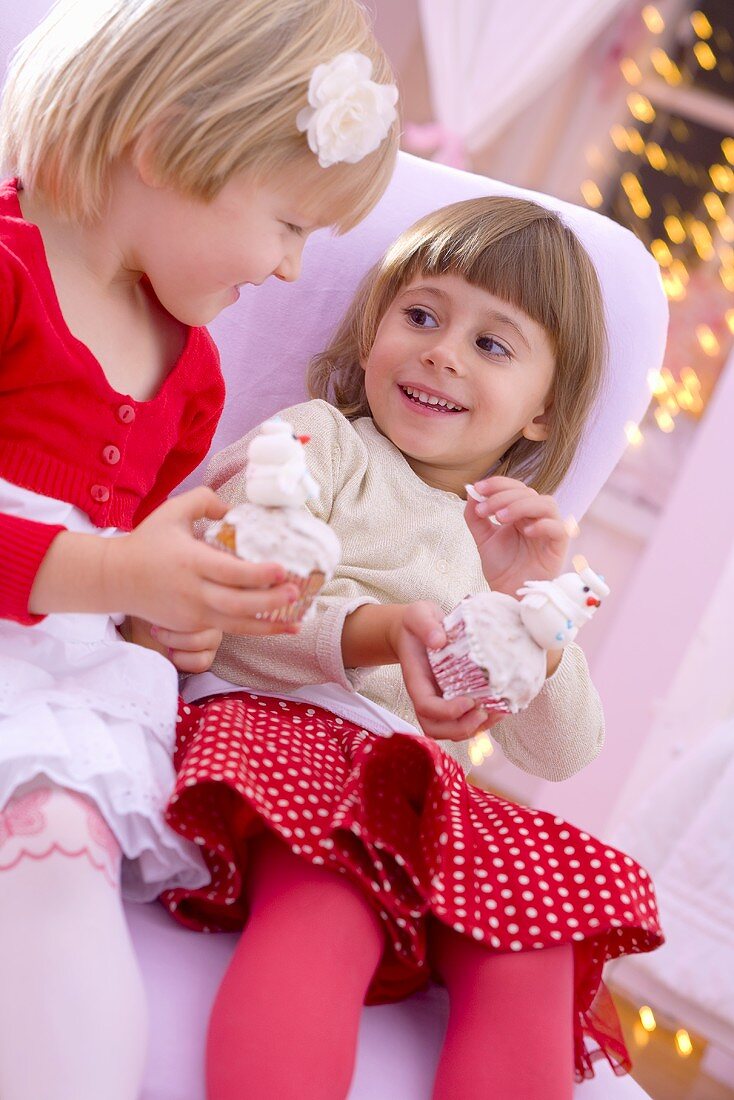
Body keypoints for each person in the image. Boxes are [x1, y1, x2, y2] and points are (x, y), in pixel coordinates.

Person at [162, 197, 664, 1100]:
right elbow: (233, 592)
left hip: (417, 787)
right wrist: (380, 634)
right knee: (331, 897)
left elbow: (561, 750)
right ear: (370, 340)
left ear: (542, 415)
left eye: (492, 344)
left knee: (535, 936)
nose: (441, 351)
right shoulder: (319, 444)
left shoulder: (503, 539)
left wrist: (526, 599)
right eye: (422, 316)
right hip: (286, 733)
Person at [0, 0, 399, 1096]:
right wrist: (111, 572)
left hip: (52, 692)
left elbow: (126, 576)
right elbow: (95, 559)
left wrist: (169, 613)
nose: (285, 270)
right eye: (287, 224)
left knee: (61, 849)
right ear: (166, 136)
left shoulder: (194, 379)